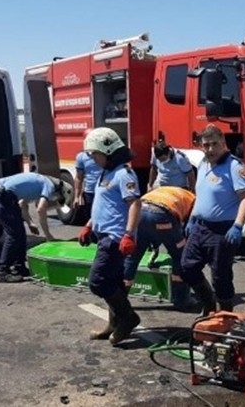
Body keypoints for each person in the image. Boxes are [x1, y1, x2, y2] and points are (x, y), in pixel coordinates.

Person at [77, 127, 142, 346]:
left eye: (95, 154)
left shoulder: (124, 174)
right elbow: (102, 205)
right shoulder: (106, 173)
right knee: (113, 281)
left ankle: (128, 318)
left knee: (98, 281)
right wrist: (88, 225)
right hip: (104, 235)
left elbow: (134, 204)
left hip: (115, 239)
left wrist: (129, 235)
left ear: (109, 151)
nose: (92, 159)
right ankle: (114, 324)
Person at [180, 125, 245, 315]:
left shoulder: (235, 167)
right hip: (200, 228)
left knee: (220, 276)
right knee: (188, 267)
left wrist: (238, 226)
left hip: (222, 231)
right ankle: (208, 304)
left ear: (223, 144)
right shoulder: (203, 163)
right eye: (206, 145)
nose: (210, 149)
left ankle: (226, 315)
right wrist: (192, 218)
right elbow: (201, 195)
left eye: (214, 144)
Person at [123, 186, 198, 311]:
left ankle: (121, 299)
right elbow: (186, 225)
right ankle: (181, 298)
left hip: (141, 212)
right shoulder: (192, 198)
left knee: (133, 257)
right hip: (161, 216)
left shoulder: (164, 190)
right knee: (181, 255)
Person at [0, 172, 72, 283]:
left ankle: (19, 267)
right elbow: (41, 209)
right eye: (59, 198)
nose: (55, 199)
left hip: (7, 196)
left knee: (20, 234)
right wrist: (48, 235)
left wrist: (30, 223)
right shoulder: (48, 185)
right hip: (4, 196)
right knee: (13, 235)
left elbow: (22, 204)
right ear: (61, 191)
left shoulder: (40, 183)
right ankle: (2, 271)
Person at [73, 130, 103, 219]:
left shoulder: (104, 155)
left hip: (103, 192)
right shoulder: (81, 157)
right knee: (90, 218)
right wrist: (77, 196)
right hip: (90, 193)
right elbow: (79, 178)